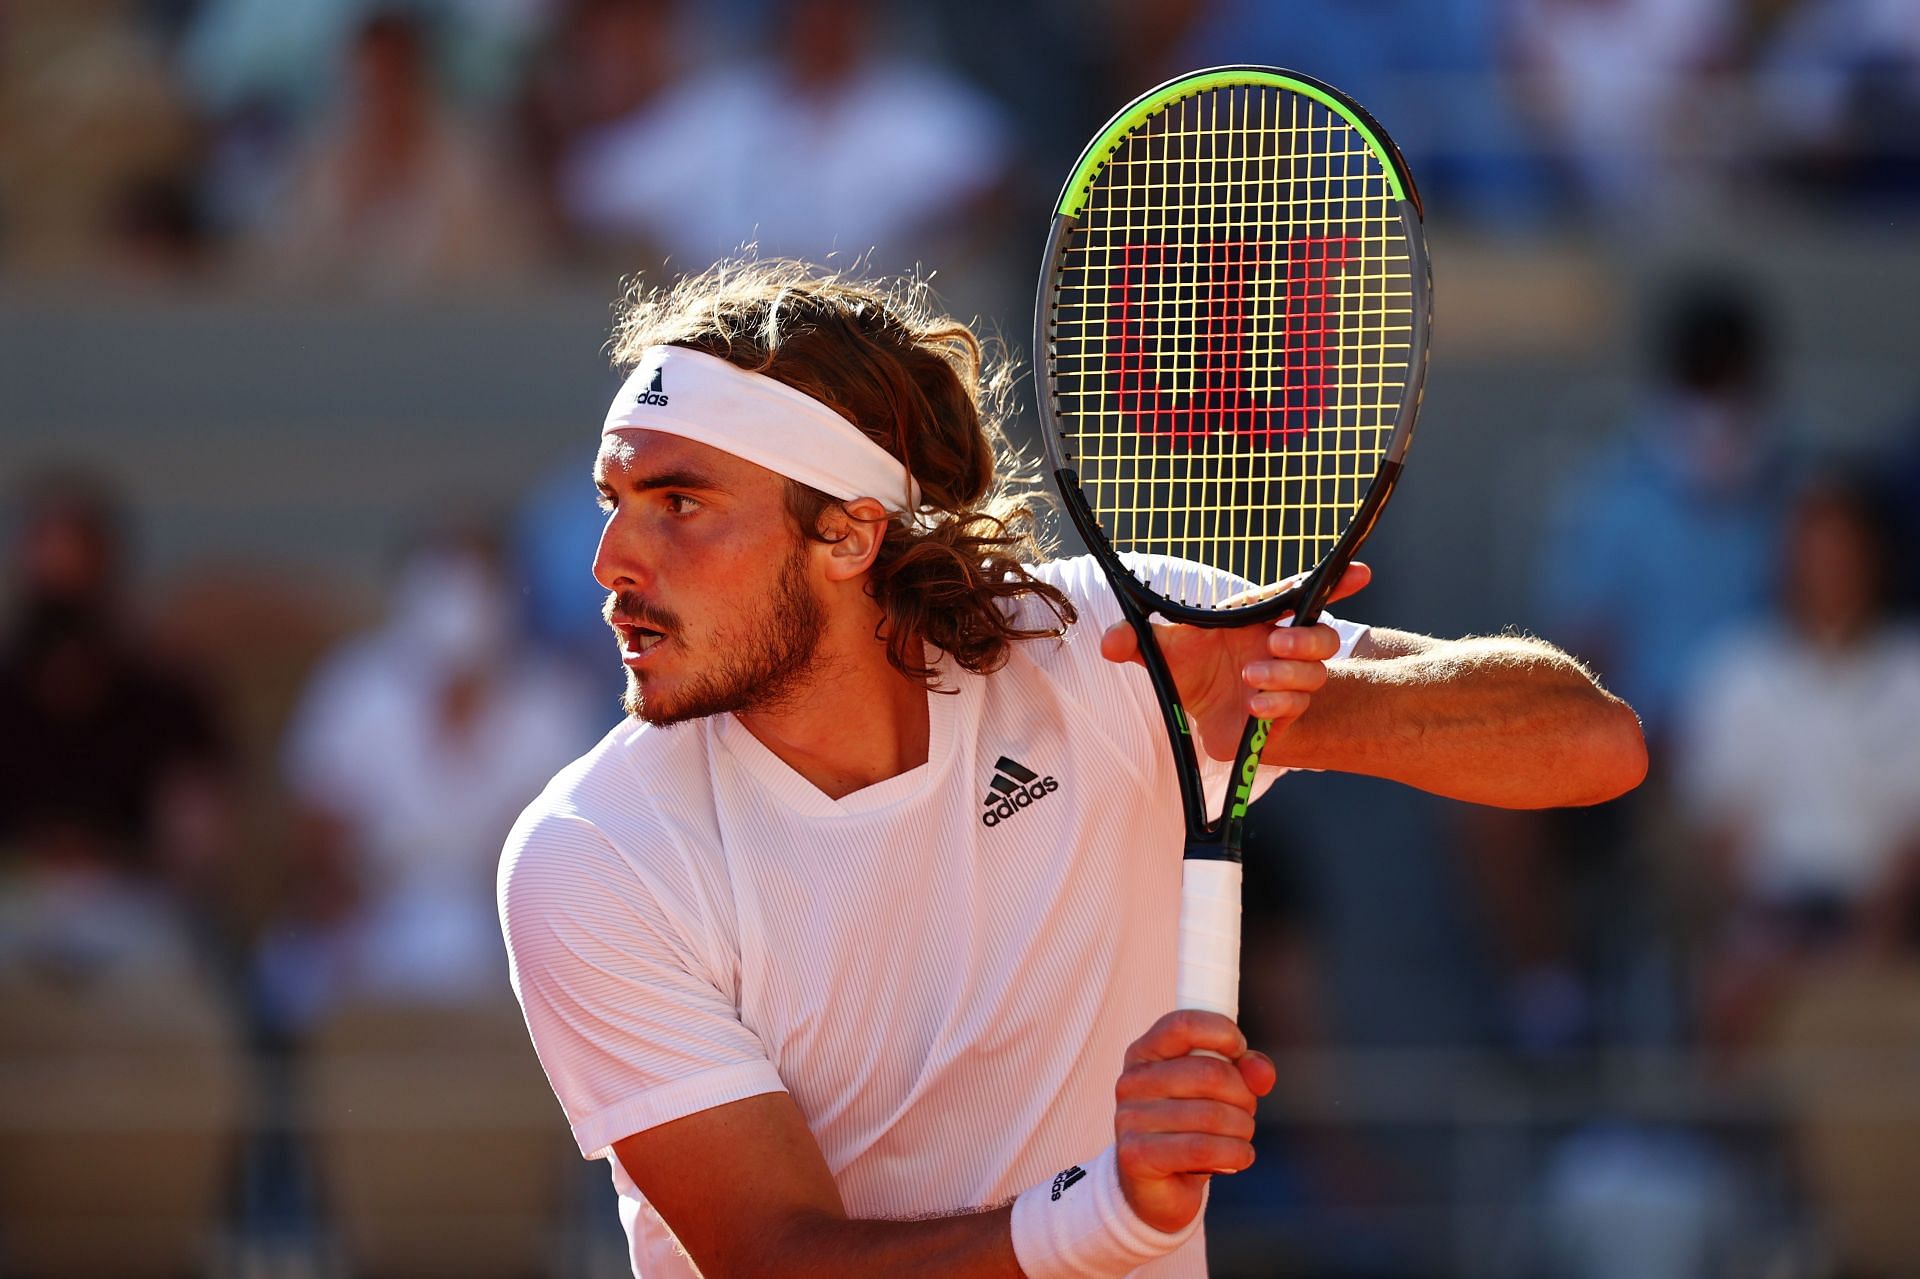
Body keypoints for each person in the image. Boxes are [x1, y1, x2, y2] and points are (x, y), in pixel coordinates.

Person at [497, 260, 1647, 1278]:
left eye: (679, 504)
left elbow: (1594, 742)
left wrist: (1301, 713)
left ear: (847, 534)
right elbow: (774, 1258)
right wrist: (1103, 1210)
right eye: (615, 502)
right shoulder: (590, 855)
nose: (609, 561)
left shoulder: (1116, 645)